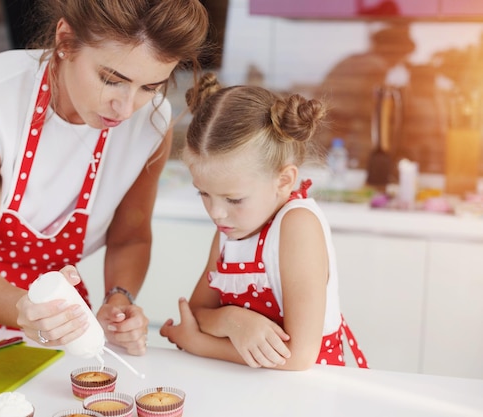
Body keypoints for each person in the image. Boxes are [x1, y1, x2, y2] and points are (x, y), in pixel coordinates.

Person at [0, 0, 209, 356]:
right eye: (112, 80)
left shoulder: (152, 125)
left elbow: (130, 237)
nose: (127, 108)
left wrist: (118, 299)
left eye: (150, 87)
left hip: (52, 318)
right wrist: (26, 310)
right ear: (65, 41)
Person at [159, 73, 368, 370]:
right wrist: (234, 321)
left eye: (233, 199)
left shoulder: (296, 225)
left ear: (284, 181)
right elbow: (195, 313)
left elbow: (298, 356)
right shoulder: (231, 230)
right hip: (250, 384)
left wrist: (200, 343)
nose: (216, 213)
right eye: (203, 193)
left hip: (308, 391)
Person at [317, 22, 415, 169]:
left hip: (323, 130)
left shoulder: (353, 60)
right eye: (402, 55)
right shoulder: (375, 66)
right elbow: (371, 111)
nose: (399, 62)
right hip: (337, 137)